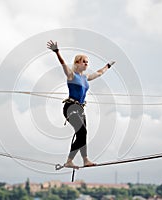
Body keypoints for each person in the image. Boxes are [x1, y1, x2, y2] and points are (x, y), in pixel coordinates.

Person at [47, 40, 115, 168]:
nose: (86, 64)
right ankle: (69, 161)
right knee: (82, 131)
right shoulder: (71, 75)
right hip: (70, 107)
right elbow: (62, 64)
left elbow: (99, 73)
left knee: (83, 134)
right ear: (77, 63)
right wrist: (57, 52)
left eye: (87, 62)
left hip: (80, 109)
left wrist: (108, 65)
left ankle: (85, 160)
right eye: (84, 61)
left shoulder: (85, 78)